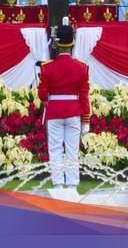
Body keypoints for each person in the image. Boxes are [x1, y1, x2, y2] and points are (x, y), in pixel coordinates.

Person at [37, 17, 90, 189]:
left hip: (54, 111)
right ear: (72, 43)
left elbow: (43, 95)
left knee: (55, 149)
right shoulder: (82, 67)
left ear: (58, 44)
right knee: (72, 150)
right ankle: (73, 184)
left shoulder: (47, 67)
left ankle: (58, 183)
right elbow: (84, 95)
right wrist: (86, 120)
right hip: (74, 111)